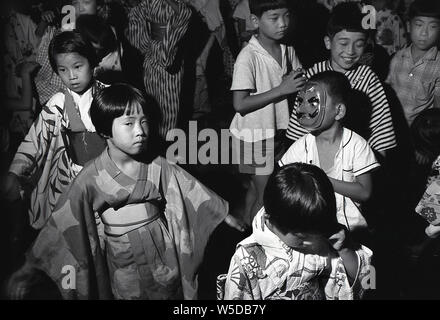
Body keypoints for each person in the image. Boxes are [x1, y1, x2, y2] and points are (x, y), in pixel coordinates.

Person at [7, 83, 244, 300]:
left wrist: (222, 214)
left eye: (144, 121)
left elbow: (189, 189)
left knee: (169, 293)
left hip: (162, 250)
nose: (140, 130)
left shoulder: (157, 164)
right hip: (122, 257)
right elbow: (63, 220)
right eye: (129, 123)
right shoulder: (91, 177)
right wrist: (30, 266)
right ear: (105, 131)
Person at [1, 31, 107, 230]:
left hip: (106, 175)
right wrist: (15, 172)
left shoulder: (109, 95)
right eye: (63, 70)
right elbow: (35, 140)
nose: (71, 76)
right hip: (71, 179)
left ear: (91, 62)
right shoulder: (58, 101)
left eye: (77, 66)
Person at [222, 162, 373, 300]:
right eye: (301, 238)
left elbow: (367, 281)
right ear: (270, 220)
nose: (313, 242)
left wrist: (345, 249)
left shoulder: (321, 232)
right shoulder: (246, 257)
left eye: (317, 235)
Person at [285, 2, 397, 158]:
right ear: (328, 42)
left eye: (359, 44)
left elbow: (380, 134)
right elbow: (299, 131)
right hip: (315, 157)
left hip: (355, 159)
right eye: (343, 43)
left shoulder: (368, 78)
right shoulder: (313, 75)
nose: (350, 51)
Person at [230, 0, 306, 226]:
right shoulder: (248, 56)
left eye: (286, 16)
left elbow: (300, 81)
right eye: (274, 18)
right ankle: (254, 242)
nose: (283, 24)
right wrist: (281, 90)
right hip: (253, 136)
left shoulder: (287, 49)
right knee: (265, 194)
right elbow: (239, 104)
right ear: (255, 21)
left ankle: (243, 227)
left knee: (256, 187)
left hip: (275, 133)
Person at [279, 71, 380, 233]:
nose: (302, 108)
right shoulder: (301, 146)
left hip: (351, 230)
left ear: (339, 111)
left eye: (313, 102)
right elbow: (283, 182)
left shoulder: (357, 145)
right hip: (311, 228)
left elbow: (365, 192)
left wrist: (322, 180)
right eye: (300, 101)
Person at [126, 0, 192, 139]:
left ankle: (167, 144)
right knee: (151, 104)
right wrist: (145, 46)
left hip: (171, 54)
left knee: (170, 107)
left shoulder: (179, 4)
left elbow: (184, 13)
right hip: (152, 54)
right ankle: (154, 142)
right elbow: (137, 16)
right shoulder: (149, 3)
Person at [386, 0, 440, 127]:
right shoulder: (397, 58)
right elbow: (386, 92)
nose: (424, 33)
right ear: (409, 26)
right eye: (419, 25)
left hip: (418, 132)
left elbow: (437, 110)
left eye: (432, 26)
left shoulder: (438, 66)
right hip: (391, 128)